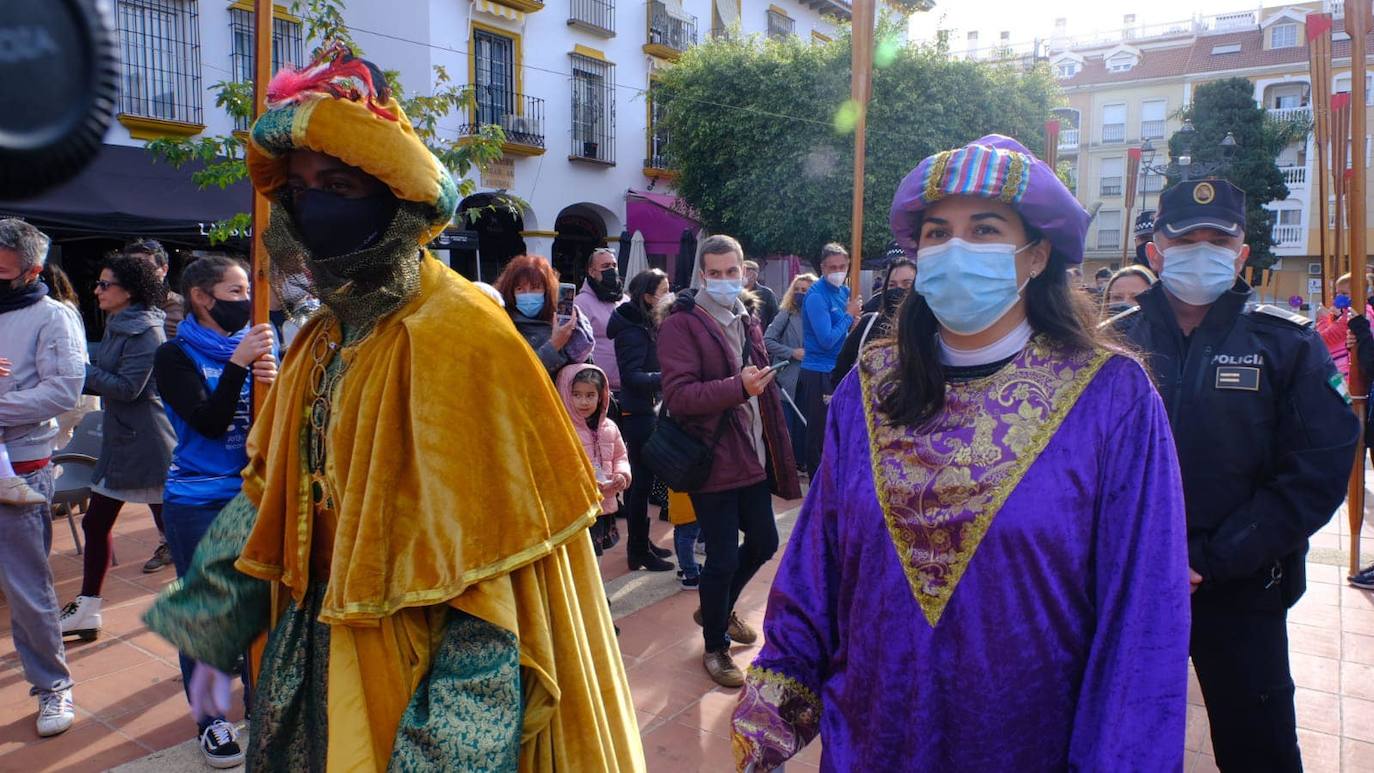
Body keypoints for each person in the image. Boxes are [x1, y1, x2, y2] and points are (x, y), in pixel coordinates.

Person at [142, 45, 642, 770]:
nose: (314, 203)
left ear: (391, 191)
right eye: (304, 186)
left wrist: (441, 752)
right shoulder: (319, 338)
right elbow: (275, 492)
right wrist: (210, 620)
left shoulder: (462, 331)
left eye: (339, 183)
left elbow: (490, 589)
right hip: (315, 650)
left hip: (417, 670)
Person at [733, 135, 1192, 770]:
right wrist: (771, 719)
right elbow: (818, 565)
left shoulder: (1111, 397)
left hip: (1027, 737)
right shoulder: (870, 388)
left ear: (1035, 254)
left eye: (984, 229)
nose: (955, 249)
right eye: (937, 231)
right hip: (876, 730)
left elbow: (1142, 612)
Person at [1117, 178, 1358, 772]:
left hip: (1242, 587)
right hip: (1130, 585)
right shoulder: (1112, 341)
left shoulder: (1286, 342)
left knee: (1260, 748)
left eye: (1218, 239)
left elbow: (1318, 468)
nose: (1202, 249)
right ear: (1155, 251)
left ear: (1241, 253)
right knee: (1118, 738)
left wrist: (1213, 558)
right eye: (1185, 238)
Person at [657, 234, 801, 688]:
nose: (723, 280)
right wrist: (738, 388)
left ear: (744, 272)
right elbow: (679, 397)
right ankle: (715, 646)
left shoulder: (749, 315)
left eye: (731, 272)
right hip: (711, 457)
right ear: (702, 274)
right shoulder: (682, 323)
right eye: (714, 273)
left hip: (751, 453)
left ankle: (715, 609)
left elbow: (758, 381)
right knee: (719, 557)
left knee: (762, 542)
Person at [153, 256, 277, 767]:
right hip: (198, 501)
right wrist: (239, 367)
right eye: (235, 290)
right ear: (203, 298)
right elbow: (208, 422)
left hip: (253, 495)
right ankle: (211, 721)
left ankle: (261, 702)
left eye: (247, 288)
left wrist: (279, 378)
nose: (246, 299)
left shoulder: (253, 349)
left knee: (259, 606)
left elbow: (271, 426)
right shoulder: (174, 355)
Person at [59, 255, 178, 641]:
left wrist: (80, 369)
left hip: (146, 444)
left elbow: (129, 388)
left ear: (128, 291)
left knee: (174, 532)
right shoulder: (121, 323)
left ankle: (211, 613)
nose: (97, 290)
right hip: (122, 440)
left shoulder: (146, 331)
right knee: (96, 523)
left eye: (104, 284)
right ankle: (88, 607)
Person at [0, 219, 85, 738]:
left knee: (27, 587)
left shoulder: (54, 317)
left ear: (31, 270)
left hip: (24, 464)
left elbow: (63, 391)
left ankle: (53, 686)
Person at [607, 268, 675, 571]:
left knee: (643, 486)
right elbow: (632, 377)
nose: (668, 294)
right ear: (648, 297)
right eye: (664, 290)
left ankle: (642, 543)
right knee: (639, 486)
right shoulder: (632, 330)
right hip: (638, 413)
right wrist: (668, 377)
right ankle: (636, 550)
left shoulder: (645, 323)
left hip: (648, 409)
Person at [797, 242, 860, 477]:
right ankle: (817, 483)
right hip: (819, 371)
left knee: (840, 430)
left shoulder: (845, 292)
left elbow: (847, 332)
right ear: (822, 268)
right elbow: (826, 339)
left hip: (841, 368)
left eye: (842, 266)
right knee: (819, 433)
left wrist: (853, 322)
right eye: (832, 267)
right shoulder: (815, 297)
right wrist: (848, 316)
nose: (838, 271)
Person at [556, 364, 632, 540]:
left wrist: (621, 475)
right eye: (577, 395)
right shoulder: (562, 430)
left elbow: (620, 456)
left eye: (590, 395)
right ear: (566, 396)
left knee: (598, 553)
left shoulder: (609, 427)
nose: (584, 402)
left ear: (601, 397)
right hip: (577, 509)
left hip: (604, 505)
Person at [492, 254, 594, 378]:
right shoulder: (505, 325)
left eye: (535, 288)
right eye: (520, 289)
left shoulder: (560, 319)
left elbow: (585, 368)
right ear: (511, 292)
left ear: (547, 290)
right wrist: (554, 344)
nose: (528, 295)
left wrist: (575, 329)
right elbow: (517, 375)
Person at [41, 264, 99, 452]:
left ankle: (61, 476)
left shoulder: (59, 310)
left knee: (59, 440)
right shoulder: (67, 307)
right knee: (63, 439)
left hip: (68, 387)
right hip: (74, 388)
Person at [830, 257, 916, 381]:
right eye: (892, 285)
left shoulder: (932, 329)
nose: (898, 289)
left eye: (907, 284)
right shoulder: (868, 324)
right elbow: (840, 370)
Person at [764, 273, 816, 468]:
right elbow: (767, 341)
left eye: (806, 290)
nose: (800, 294)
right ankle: (786, 464)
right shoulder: (786, 314)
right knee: (787, 425)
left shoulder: (821, 316)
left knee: (807, 424)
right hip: (787, 380)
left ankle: (802, 462)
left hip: (812, 378)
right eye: (797, 289)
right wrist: (791, 352)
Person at [575, 247, 628, 399]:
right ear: (592, 272)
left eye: (614, 265)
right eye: (605, 266)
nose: (612, 270)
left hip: (627, 388)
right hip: (597, 390)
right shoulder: (580, 304)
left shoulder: (625, 301)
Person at [124, 238, 185, 340]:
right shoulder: (122, 305)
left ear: (164, 270)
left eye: (147, 267)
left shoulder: (181, 306)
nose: (140, 274)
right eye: (132, 268)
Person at [743, 260, 779, 329]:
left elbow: (774, 317)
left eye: (746, 271)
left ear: (755, 274)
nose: (743, 275)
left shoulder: (767, 294)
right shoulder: (737, 292)